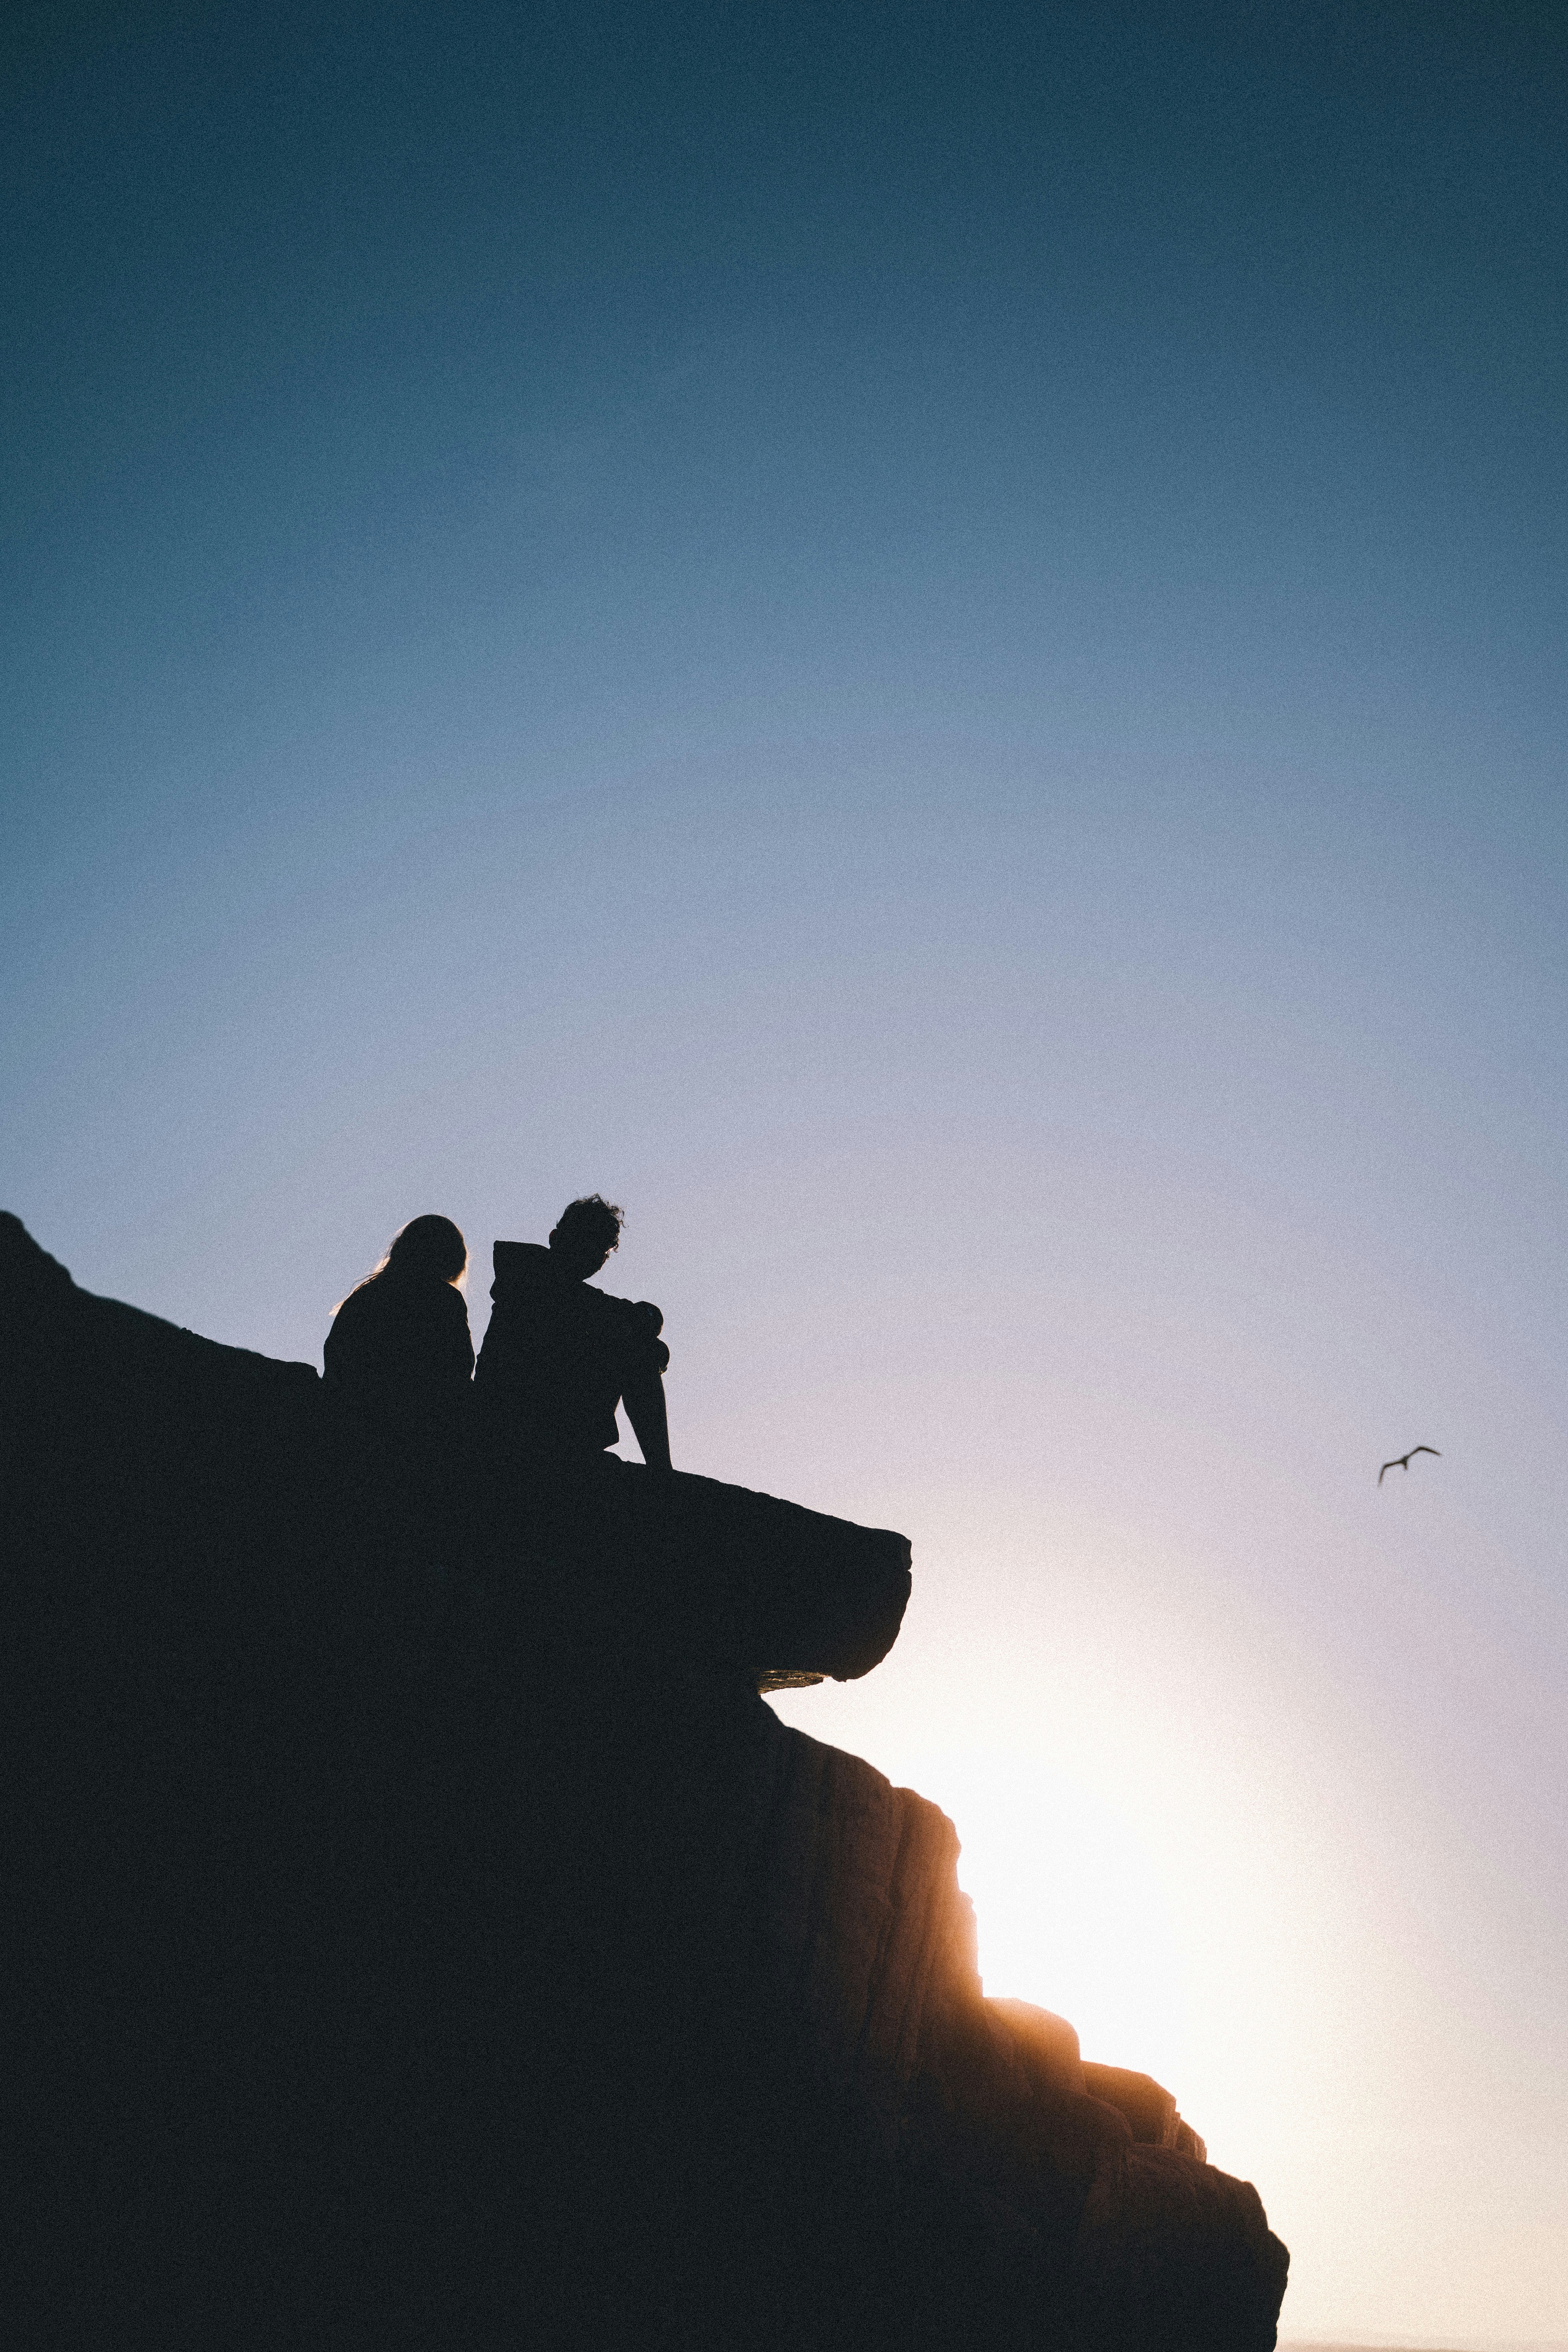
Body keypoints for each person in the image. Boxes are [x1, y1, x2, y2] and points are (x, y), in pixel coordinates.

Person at [474, 1194, 671, 1475]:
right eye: (589, 1245)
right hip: (511, 1422)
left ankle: (662, 1474)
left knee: (639, 1348)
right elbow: (629, 1318)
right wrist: (648, 1329)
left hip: (541, 1423)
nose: (595, 1258)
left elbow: (618, 1317)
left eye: (601, 1251)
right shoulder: (530, 1275)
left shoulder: (571, 1296)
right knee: (641, 1351)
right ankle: (663, 1473)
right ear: (556, 1238)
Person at [323, 1213, 474, 1438]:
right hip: (420, 1428)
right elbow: (459, 1365)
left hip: (350, 1425)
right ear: (451, 1256)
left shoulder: (364, 1297)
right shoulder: (442, 1298)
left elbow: (337, 1364)